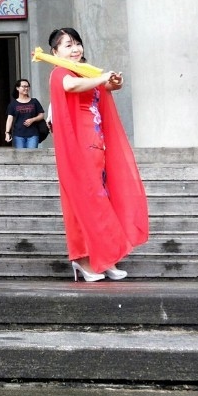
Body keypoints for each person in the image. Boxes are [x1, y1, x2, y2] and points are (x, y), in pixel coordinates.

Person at [46, 27, 149, 282]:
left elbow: (99, 88)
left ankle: (105, 256)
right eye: (68, 45)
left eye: (77, 43)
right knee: (83, 202)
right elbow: (72, 86)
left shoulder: (87, 72)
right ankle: (83, 259)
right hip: (78, 148)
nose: (75, 49)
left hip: (97, 145)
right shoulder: (61, 73)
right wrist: (101, 78)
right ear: (55, 52)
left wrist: (112, 83)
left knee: (103, 200)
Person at [5, 79, 46, 149]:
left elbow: (42, 115)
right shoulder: (13, 104)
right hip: (18, 134)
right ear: (17, 88)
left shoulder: (34, 101)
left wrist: (33, 120)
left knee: (32, 156)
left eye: (27, 86)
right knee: (21, 157)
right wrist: (7, 133)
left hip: (33, 134)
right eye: (23, 86)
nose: (26, 88)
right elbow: (9, 119)